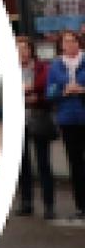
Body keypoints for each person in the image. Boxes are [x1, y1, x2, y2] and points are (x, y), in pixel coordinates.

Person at [15, 34, 57, 219]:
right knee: (22, 164)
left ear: (31, 50)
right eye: (18, 49)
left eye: (25, 48)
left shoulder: (42, 68)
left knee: (43, 163)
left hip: (39, 117)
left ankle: (49, 205)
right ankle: (26, 202)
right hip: (18, 120)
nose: (22, 52)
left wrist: (36, 97)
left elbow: (49, 91)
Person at [46, 29, 85, 220]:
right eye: (66, 42)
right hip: (68, 119)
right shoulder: (56, 66)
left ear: (79, 43)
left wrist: (82, 89)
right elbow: (50, 93)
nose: (69, 45)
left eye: (73, 41)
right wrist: (64, 92)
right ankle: (81, 206)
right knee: (76, 163)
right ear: (61, 45)